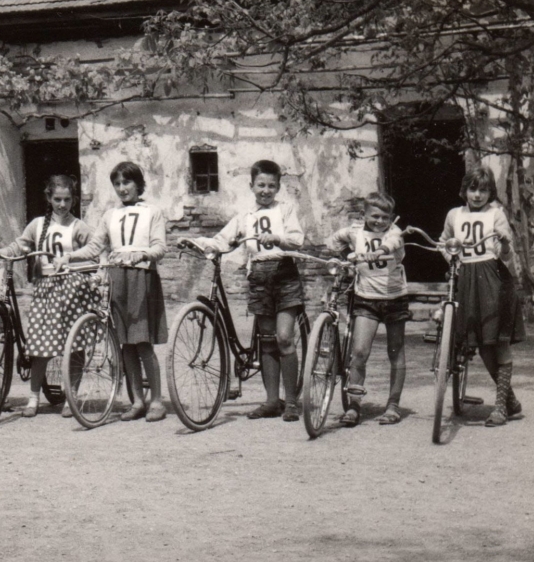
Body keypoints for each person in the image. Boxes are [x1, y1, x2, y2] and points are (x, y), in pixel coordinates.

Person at [194, 159, 306, 421]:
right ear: (252, 186)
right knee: (267, 342)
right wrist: (200, 242)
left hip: (284, 273)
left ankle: (290, 401)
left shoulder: (286, 210)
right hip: (258, 277)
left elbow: (297, 239)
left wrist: (278, 238)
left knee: (284, 338)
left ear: (278, 187)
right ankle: (271, 401)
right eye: (260, 185)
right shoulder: (245, 215)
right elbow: (223, 239)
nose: (265, 190)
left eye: (271, 186)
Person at [57, 161, 168, 422]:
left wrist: (143, 254)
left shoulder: (153, 211)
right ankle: (137, 400)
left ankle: (157, 401)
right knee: (124, 345)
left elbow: (160, 247)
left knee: (142, 342)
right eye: (117, 184)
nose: (122, 188)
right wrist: (71, 257)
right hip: (117, 278)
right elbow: (95, 246)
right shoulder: (110, 215)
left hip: (142, 277)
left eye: (127, 182)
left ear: (138, 184)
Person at [0, 175, 96, 417]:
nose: (62, 204)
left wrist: (77, 261)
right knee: (39, 345)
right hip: (45, 289)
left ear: (73, 199)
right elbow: (21, 245)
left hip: (73, 290)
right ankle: (33, 398)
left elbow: (93, 249)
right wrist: (3, 252)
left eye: (67, 199)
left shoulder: (78, 227)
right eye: (57, 199)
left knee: (74, 345)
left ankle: (70, 395)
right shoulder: (38, 225)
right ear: (49, 198)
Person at [441, 165, 525, 427]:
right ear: (464, 190)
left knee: (496, 340)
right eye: (473, 188)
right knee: (478, 341)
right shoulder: (454, 214)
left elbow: (507, 255)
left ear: (491, 193)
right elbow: (445, 241)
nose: (477, 195)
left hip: (492, 278)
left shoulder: (496, 214)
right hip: (465, 278)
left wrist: (505, 243)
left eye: (484, 189)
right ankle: (509, 399)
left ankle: (500, 407)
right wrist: (452, 259)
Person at [327, 192, 408, 426]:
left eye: (385, 217)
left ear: (391, 218)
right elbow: (332, 241)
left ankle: (393, 405)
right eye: (375, 216)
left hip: (394, 297)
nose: (380, 221)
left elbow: (392, 244)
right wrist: (348, 256)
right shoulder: (355, 231)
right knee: (360, 351)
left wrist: (379, 251)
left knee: (395, 351)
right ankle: (353, 405)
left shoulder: (394, 232)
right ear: (364, 215)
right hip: (365, 298)